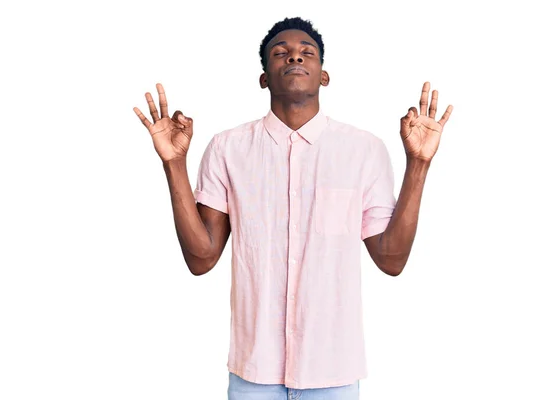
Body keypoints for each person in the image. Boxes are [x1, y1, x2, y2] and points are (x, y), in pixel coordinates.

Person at [133, 16, 453, 400]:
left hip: (333, 372)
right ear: (264, 77)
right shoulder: (227, 149)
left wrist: (418, 164)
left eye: (307, 53)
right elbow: (201, 259)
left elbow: (391, 260)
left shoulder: (364, 151)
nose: (294, 59)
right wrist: (173, 164)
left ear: (324, 76)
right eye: (280, 54)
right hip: (254, 374)